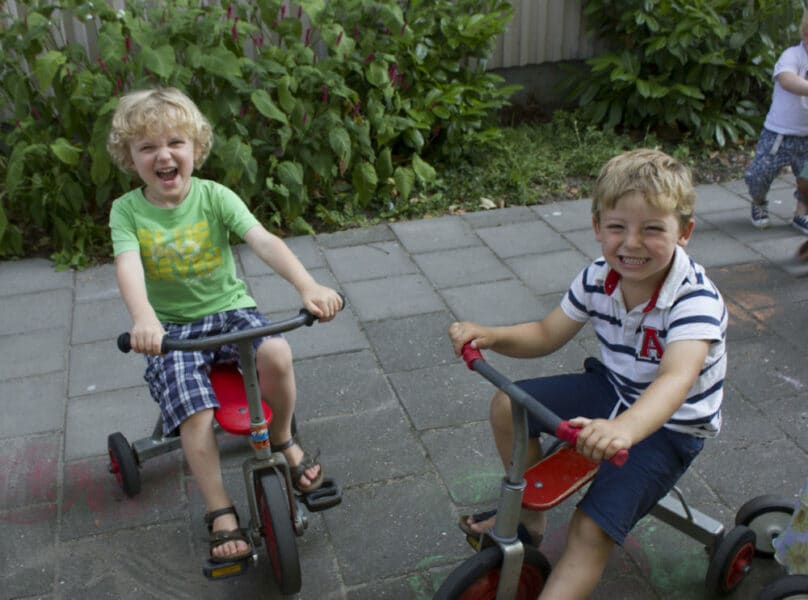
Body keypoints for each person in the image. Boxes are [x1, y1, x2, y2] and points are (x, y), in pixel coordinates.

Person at [448, 149, 727, 599]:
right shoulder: (599, 277)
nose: (631, 244)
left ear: (685, 232)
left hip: (670, 425)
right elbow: (545, 333)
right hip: (614, 390)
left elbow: (675, 380)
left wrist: (622, 429)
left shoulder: (694, 300)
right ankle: (530, 516)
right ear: (598, 227)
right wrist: (491, 335)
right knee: (508, 405)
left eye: (653, 229)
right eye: (617, 227)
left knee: (589, 531)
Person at [107, 87, 343, 563]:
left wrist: (307, 285)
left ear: (196, 148)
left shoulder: (215, 196)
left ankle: (284, 439)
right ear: (130, 159)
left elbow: (262, 240)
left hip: (231, 313)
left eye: (175, 142)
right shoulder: (128, 211)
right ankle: (219, 511)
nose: (164, 155)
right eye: (147, 147)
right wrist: (144, 319)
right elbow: (128, 265)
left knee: (277, 351)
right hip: (172, 330)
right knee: (196, 413)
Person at [744, 9, 808, 233]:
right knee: (758, 176)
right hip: (779, 134)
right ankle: (759, 201)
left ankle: (802, 212)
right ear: (806, 36)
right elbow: (787, 80)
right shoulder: (793, 56)